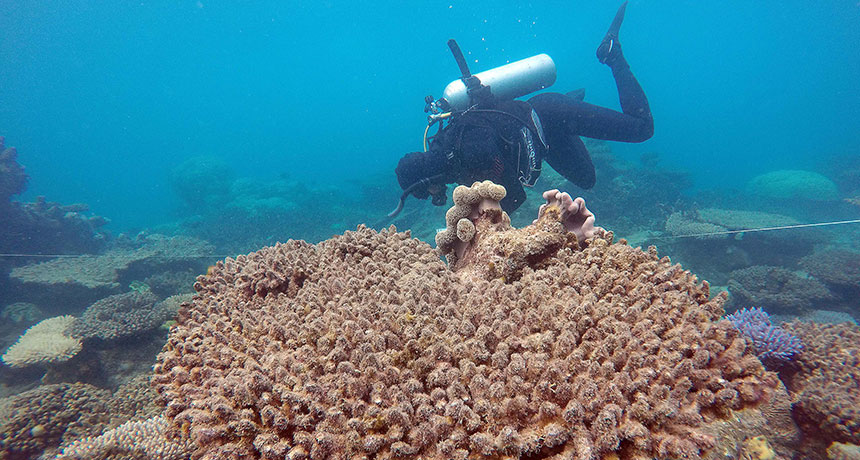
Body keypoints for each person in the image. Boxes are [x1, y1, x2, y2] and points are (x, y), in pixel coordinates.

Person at [393, 1, 653, 214]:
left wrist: (478, 223)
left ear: (426, 179)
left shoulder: (468, 150)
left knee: (641, 129)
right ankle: (572, 101)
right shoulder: (450, 151)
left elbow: (515, 196)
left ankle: (612, 54)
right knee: (587, 179)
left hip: (548, 114)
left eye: (424, 192)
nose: (433, 196)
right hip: (545, 138)